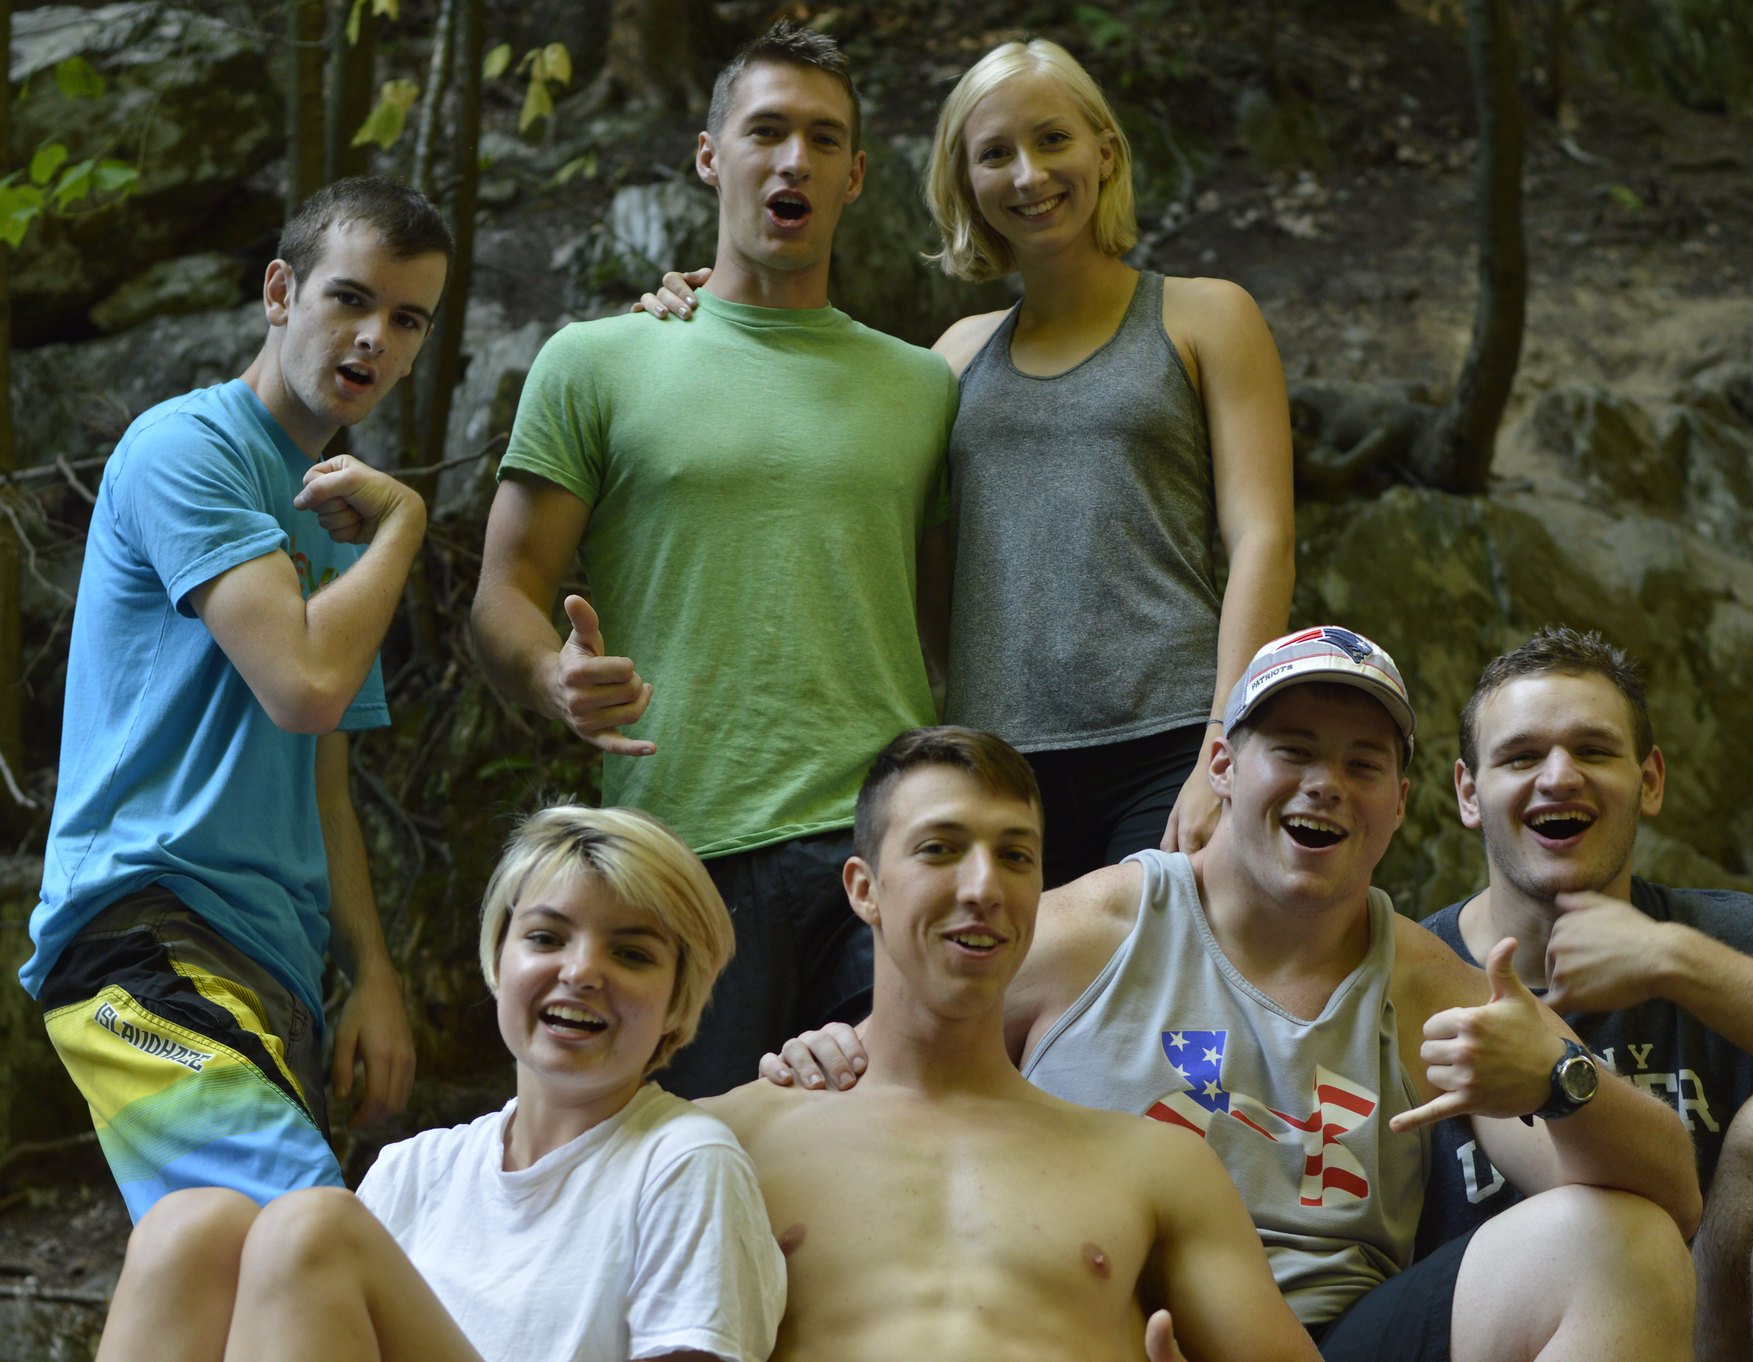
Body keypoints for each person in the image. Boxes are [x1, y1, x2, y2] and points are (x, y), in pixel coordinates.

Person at [765, 627, 1704, 1361]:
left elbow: (1672, 1194)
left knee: (1621, 1244)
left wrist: (1558, 1079)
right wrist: (826, 1055)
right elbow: (908, 1041)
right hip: (1100, 1324)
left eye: (1362, 764)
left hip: (1337, 1337)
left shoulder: (1423, 982)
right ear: (1222, 765)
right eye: (1292, 750)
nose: (1325, 785)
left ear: (1401, 800)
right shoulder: (1090, 930)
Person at [642, 37, 1294, 889]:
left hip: (1169, 743)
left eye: (1052, 140)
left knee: (1153, 1012)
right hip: (996, 772)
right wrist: (695, 312)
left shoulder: (1206, 317)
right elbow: (830, 454)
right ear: (966, 184)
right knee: (1015, 1022)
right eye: (995, 154)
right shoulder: (947, 360)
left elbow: (1264, 538)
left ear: (1105, 150)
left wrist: (1225, 742)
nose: (1028, 175)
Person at [472, 21, 957, 1098]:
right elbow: (502, 595)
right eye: (765, 131)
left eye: (821, 139)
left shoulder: (923, 388)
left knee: (867, 1181)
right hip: (680, 850)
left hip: (871, 857)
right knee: (692, 1166)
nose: (792, 160)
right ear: (710, 156)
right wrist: (555, 680)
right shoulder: (598, 361)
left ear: (854, 175)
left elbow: (939, 626)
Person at [24, 177, 450, 1221]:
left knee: (225, 1290)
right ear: (278, 291)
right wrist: (404, 531)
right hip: (147, 938)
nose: (373, 341)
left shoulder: (333, 514)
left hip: (274, 969)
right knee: (315, 1239)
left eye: (406, 320)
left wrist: (373, 975)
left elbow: (326, 785)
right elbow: (302, 687)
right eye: (348, 300)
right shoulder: (191, 451)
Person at [1415, 624, 1753, 1362]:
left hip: (1715, 1330)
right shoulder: (1405, 973)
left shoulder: (1752, 942)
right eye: (1521, 756)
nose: (1558, 778)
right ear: (1467, 792)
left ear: (1650, 781)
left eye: (1593, 750)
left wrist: (1676, 960)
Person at [705, 728, 1319, 1362]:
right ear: (865, 889)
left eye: (1016, 856)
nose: (984, 889)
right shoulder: (727, 1142)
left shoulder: (1157, 1167)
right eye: (940, 849)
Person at [93, 804, 786, 1362]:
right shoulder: (415, 1171)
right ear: (499, 958)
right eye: (546, 938)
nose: (581, 971)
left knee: (312, 1226)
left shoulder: (685, 1161)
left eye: (631, 952)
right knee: (187, 1226)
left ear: (676, 1003)